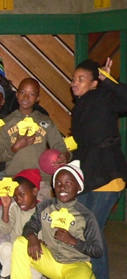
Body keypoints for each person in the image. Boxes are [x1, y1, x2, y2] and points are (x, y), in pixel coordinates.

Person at [70, 58, 127, 279]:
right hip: (89, 176)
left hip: (108, 174)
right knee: (80, 227)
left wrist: (109, 81)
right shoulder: (79, 107)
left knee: (91, 232)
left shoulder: (103, 96)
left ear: (94, 83)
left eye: (81, 79)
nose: (75, 83)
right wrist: (67, 156)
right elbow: (84, 144)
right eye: (74, 79)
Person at [11, 161, 104, 279]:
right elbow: (31, 225)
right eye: (58, 183)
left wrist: (73, 241)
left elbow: (97, 250)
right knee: (20, 243)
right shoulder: (45, 207)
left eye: (68, 183)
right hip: (50, 260)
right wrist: (32, 236)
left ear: (79, 187)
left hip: (75, 265)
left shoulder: (86, 216)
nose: (62, 187)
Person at [0, 78, 69, 200]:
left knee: (39, 217)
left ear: (38, 98)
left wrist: (65, 156)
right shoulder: (6, 122)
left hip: (41, 181)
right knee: (16, 217)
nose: (26, 97)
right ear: (17, 94)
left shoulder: (45, 121)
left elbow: (60, 147)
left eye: (32, 94)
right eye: (23, 92)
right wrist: (15, 147)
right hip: (14, 180)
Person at [0, 169, 41, 279]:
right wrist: (6, 207)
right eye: (15, 196)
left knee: (34, 271)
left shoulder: (43, 211)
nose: (18, 200)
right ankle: (7, 275)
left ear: (34, 191)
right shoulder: (14, 208)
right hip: (14, 252)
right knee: (4, 248)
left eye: (22, 195)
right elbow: (4, 230)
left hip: (33, 255)